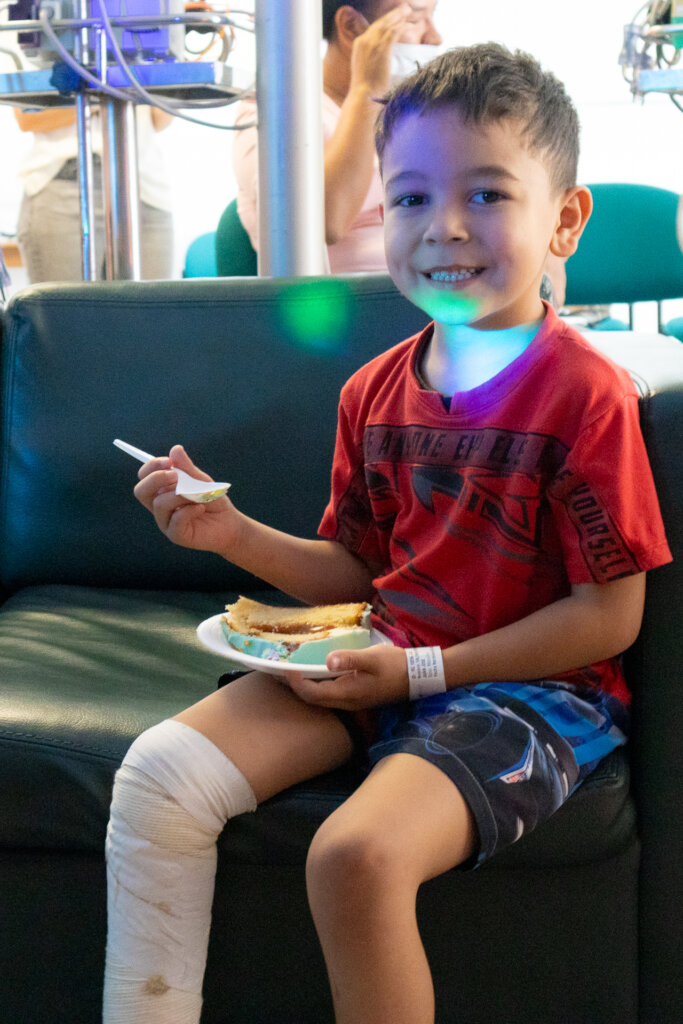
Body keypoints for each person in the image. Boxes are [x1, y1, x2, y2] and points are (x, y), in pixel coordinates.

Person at [103, 43, 672, 1024]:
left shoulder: (584, 397)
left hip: (534, 695)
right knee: (159, 776)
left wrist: (423, 674)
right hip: (384, 657)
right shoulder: (369, 392)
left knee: (353, 856)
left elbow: (608, 614)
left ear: (563, 221)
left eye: (485, 194)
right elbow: (357, 569)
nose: (442, 229)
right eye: (407, 199)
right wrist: (227, 530)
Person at [232, 1, 442, 274]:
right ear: (351, 27)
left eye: (432, 17)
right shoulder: (274, 115)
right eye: (414, 20)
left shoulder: (411, 115)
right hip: (352, 305)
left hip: (435, 293)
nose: (435, 38)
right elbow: (324, 221)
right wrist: (367, 89)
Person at [14, 103, 175, 281]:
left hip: (143, 184)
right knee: (69, 306)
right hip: (68, 183)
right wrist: (108, 93)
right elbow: (27, 116)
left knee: (153, 305)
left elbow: (158, 120)